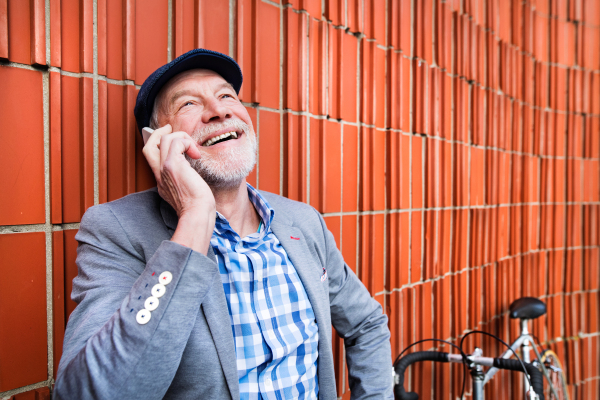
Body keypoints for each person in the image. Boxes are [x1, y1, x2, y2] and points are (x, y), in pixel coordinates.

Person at [54, 48, 393, 400]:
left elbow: (367, 324)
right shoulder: (115, 230)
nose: (219, 111)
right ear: (156, 141)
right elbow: (88, 392)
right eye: (189, 104)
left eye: (227, 95)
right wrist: (195, 215)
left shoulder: (303, 221)